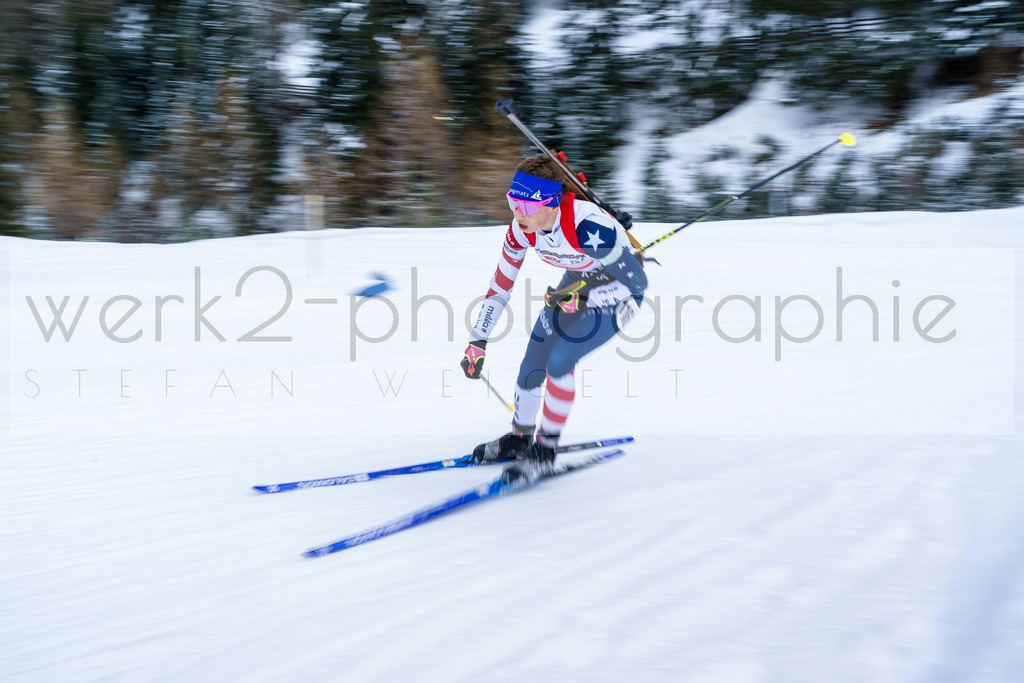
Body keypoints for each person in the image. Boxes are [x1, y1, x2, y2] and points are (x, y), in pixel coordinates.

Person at [461, 155, 648, 466]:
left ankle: (545, 448)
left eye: (529, 207)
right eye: (512, 203)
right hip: (575, 284)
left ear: (552, 203)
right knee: (531, 363)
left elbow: (637, 283)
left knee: (560, 361)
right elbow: (500, 287)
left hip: (617, 292)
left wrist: (586, 299)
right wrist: (477, 339)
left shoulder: (587, 227)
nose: (519, 213)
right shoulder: (521, 228)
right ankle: (520, 439)